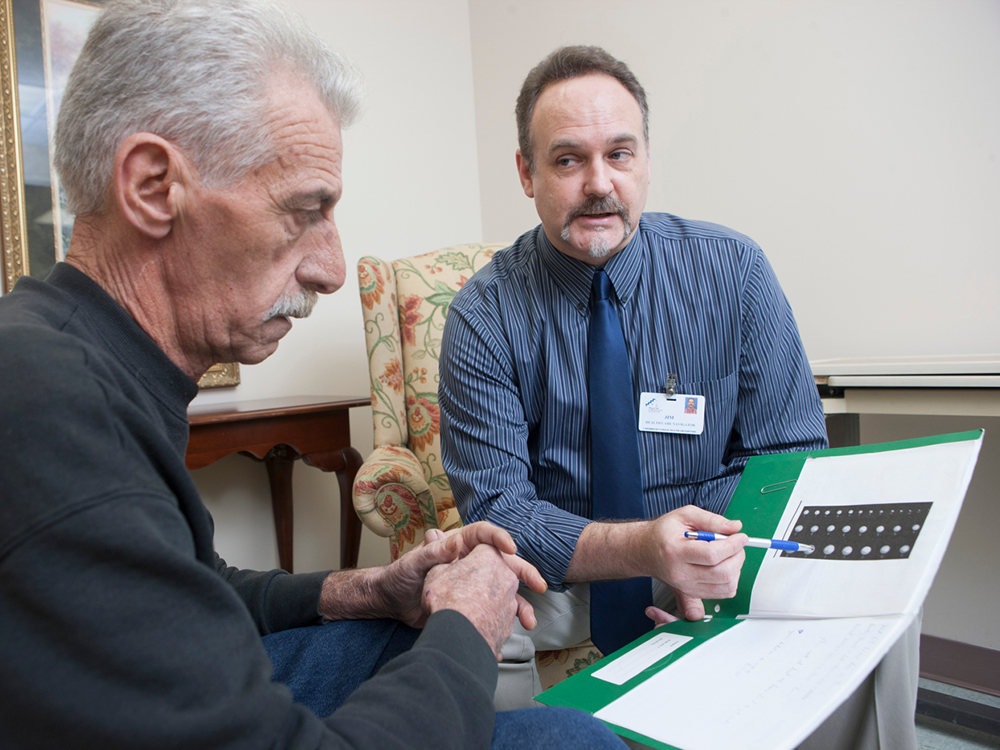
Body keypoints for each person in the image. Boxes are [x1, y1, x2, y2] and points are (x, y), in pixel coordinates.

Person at [0, 4, 627, 748]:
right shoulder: (52, 406)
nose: (333, 269)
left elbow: (190, 590)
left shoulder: (83, 364)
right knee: (567, 738)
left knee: (394, 636)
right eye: (306, 209)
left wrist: (364, 588)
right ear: (153, 186)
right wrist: (467, 623)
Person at [439, 46, 920, 748]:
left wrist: (702, 552)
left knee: (881, 597)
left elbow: (790, 457)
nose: (599, 184)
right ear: (526, 172)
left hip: (715, 550)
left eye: (620, 154)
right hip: (564, 581)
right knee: (481, 595)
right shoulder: (483, 315)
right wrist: (642, 549)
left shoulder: (734, 272)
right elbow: (501, 511)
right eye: (568, 160)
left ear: (646, 160)